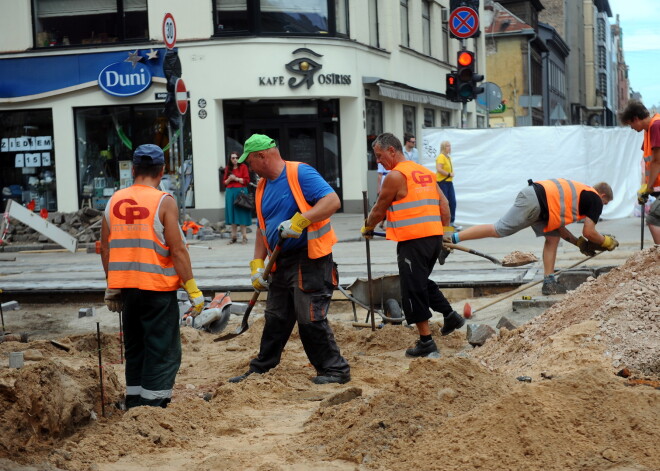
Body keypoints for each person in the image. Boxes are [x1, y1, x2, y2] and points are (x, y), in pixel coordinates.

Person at [228, 134, 351, 385]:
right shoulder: (262, 186)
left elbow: (332, 201)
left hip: (309, 258)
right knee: (276, 317)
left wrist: (301, 220)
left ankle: (335, 370)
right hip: (280, 262)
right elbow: (264, 230)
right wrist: (257, 265)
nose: (249, 167)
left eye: (250, 161)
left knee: (310, 317)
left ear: (263, 156)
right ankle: (263, 368)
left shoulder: (300, 173)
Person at [101, 144, 204, 409]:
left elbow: (105, 248)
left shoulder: (113, 201)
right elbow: (178, 250)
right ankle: (152, 408)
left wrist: (112, 287)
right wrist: (193, 290)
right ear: (161, 172)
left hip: (128, 291)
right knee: (162, 349)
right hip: (157, 290)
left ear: (133, 170)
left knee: (136, 347)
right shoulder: (163, 201)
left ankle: (134, 400)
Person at [361, 133, 464, 358]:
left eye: (379, 156)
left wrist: (367, 227)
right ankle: (450, 315)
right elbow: (444, 204)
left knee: (411, 288)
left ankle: (426, 342)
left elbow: (379, 208)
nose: (378, 161)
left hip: (413, 241)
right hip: (433, 239)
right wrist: (445, 234)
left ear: (391, 150)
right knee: (420, 282)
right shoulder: (425, 173)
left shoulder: (395, 176)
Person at [450, 179, 618, 295]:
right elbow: (589, 232)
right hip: (536, 199)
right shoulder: (594, 199)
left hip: (541, 202)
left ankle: (549, 282)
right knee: (499, 230)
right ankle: (452, 239)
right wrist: (606, 241)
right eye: (605, 204)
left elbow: (560, 228)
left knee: (553, 239)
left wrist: (578, 243)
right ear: (602, 196)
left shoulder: (581, 195)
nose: (602, 207)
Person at [618, 100, 660, 244]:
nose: (631, 128)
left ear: (636, 118)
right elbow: (646, 163)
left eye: (630, 124)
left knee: (654, 218)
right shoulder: (648, 131)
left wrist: (648, 188)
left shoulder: (656, 125)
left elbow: (657, 161)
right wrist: (644, 187)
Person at [223, 150, 252, 245]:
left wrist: (236, 179)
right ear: (230, 159)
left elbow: (247, 180)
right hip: (230, 192)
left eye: (237, 157)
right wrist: (229, 179)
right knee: (232, 214)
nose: (235, 159)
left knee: (241, 214)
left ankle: (244, 237)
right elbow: (224, 182)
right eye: (233, 158)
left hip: (240, 192)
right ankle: (233, 237)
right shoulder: (228, 168)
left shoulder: (243, 167)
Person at [435, 140, 459, 230]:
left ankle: (451, 222)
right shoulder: (441, 157)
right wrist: (449, 174)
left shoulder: (448, 157)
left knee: (453, 202)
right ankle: (444, 223)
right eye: (447, 146)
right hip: (442, 182)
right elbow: (439, 169)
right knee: (445, 203)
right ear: (443, 147)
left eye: (450, 146)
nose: (449, 147)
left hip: (449, 182)